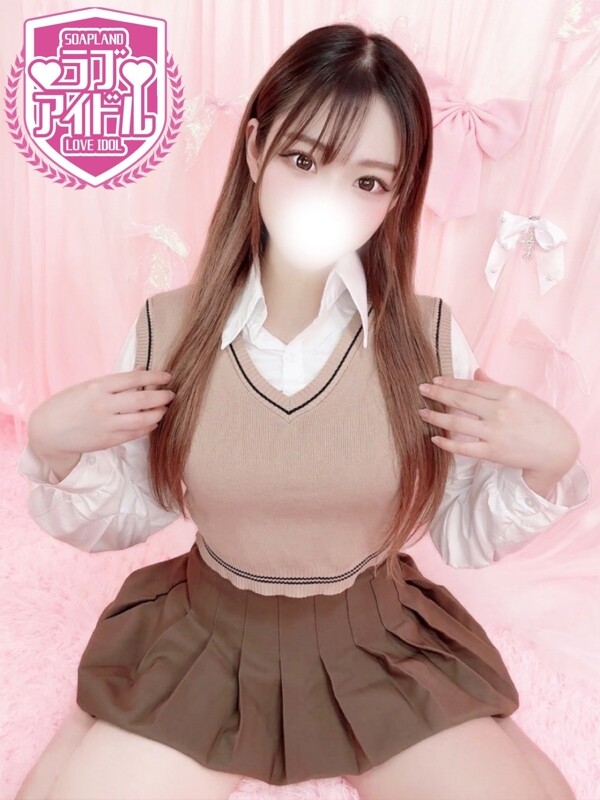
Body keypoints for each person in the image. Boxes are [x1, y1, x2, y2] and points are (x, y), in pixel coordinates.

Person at [15, 22, 589, 800]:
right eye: (305, 160)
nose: (329, 199)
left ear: (397, 194)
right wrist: (52, 446)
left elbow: (461, 526)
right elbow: (128, 510)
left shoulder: (427, 338)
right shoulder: (168, 329)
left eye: (368, 181)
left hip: (378, 645)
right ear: (256, 149)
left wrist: (551, 460)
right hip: (209, 644)